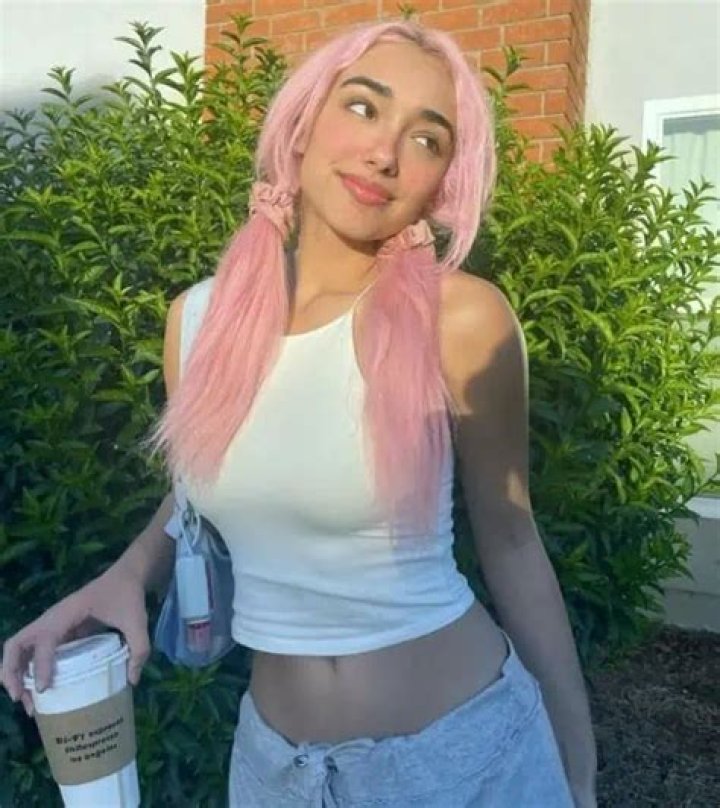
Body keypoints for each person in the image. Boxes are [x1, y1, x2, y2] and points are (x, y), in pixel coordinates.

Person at [1, 20, 597, 808]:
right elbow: (203, 485)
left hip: (464, 761)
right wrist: (125, 577)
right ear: (304, 121)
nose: (386, 153)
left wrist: (577, 769)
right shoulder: (198, 320)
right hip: (275, 773)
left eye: (427, 139)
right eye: (363, 107)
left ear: (441, 183)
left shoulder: (461, 318)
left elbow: (513, 540)